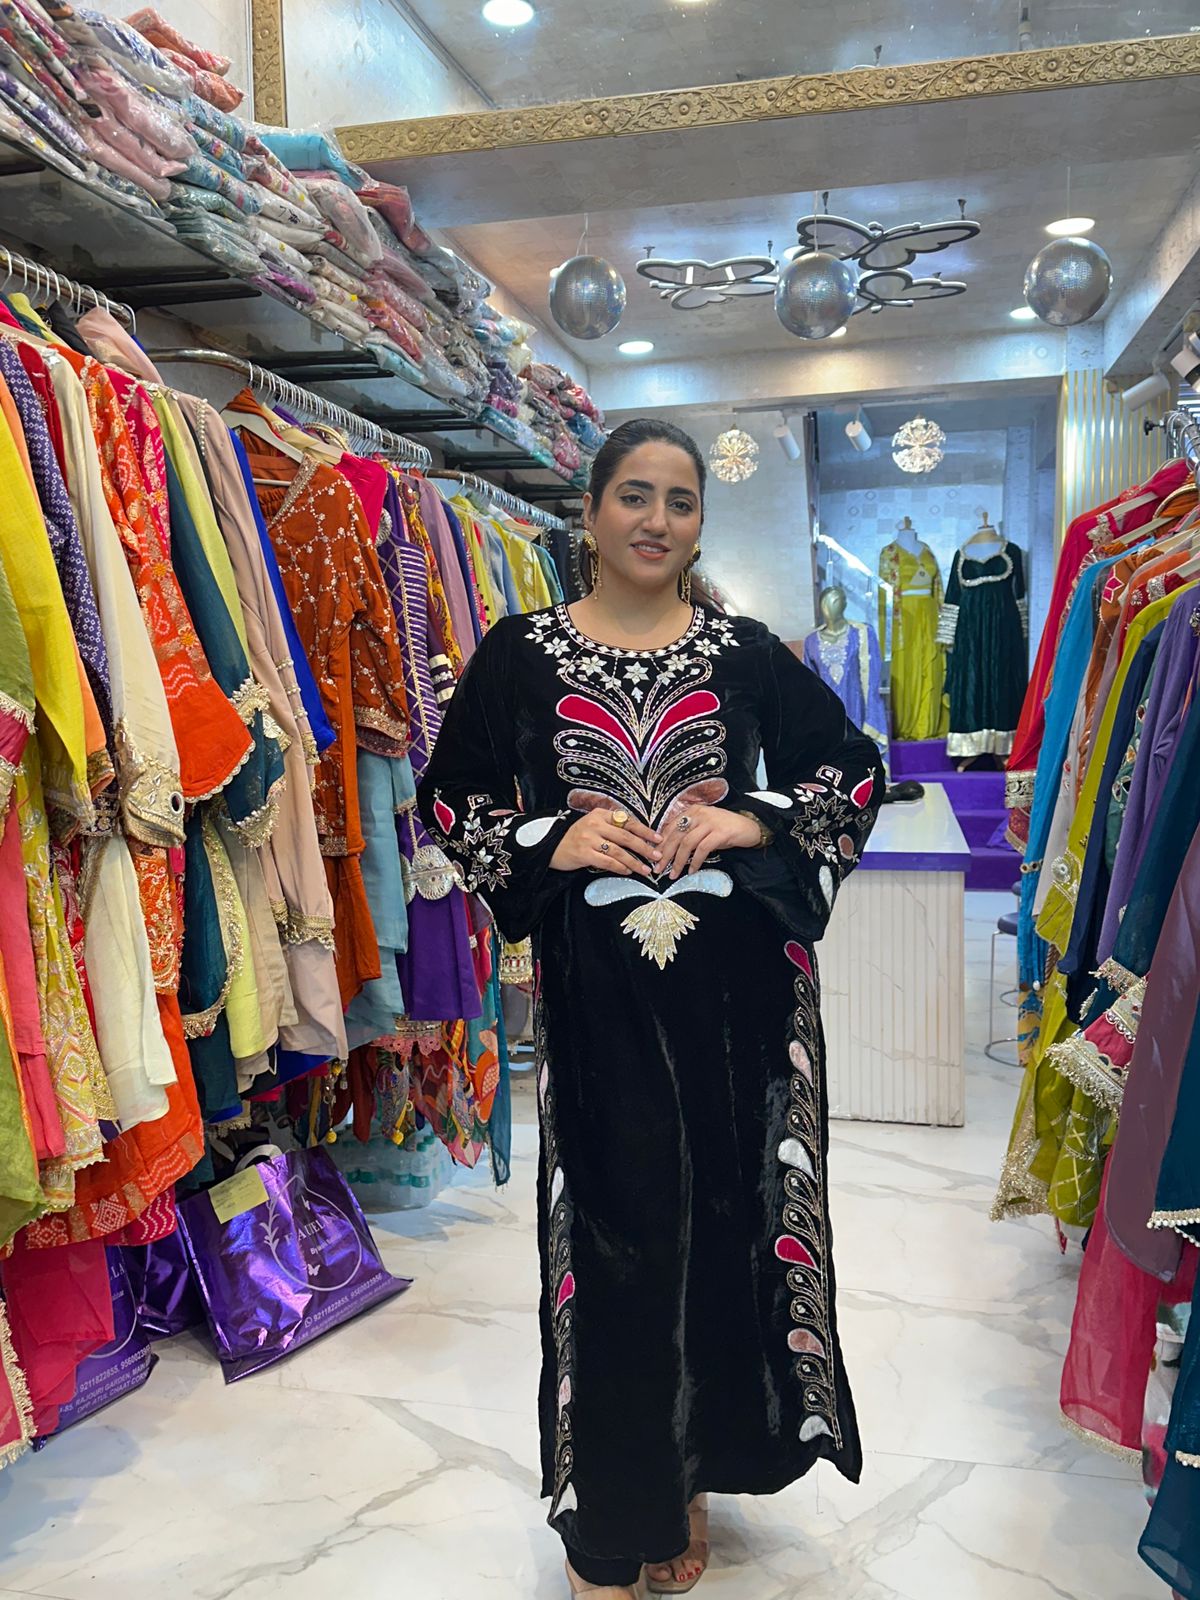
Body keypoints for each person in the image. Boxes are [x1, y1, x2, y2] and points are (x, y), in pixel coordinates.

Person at [418, 419, 885, 1596]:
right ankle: (608, 1522)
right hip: (601, 1002)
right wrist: (552, 836)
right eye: (634, 494)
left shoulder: (742, 652)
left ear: (699, 524)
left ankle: (687, 1477)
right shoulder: (520, 652)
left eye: (680, 501)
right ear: (588, 512)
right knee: (614, 1242)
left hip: (741, 1006)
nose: (656, 520)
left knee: (725, 1236)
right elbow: (451, 794)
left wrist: (752, 817)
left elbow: (854, 766)